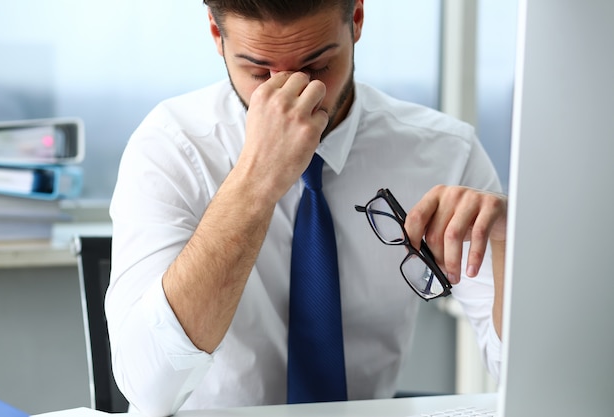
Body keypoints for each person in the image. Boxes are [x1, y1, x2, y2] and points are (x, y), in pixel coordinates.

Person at [106, 0, 508, 416]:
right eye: (259, 71)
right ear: (216, 33)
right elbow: (149, 388)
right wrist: (257, 180)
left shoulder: (445, 153)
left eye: (317, 68)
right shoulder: (170, 147)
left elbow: (514, 365)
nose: (291, 94)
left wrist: (509, 244)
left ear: (355, 19)